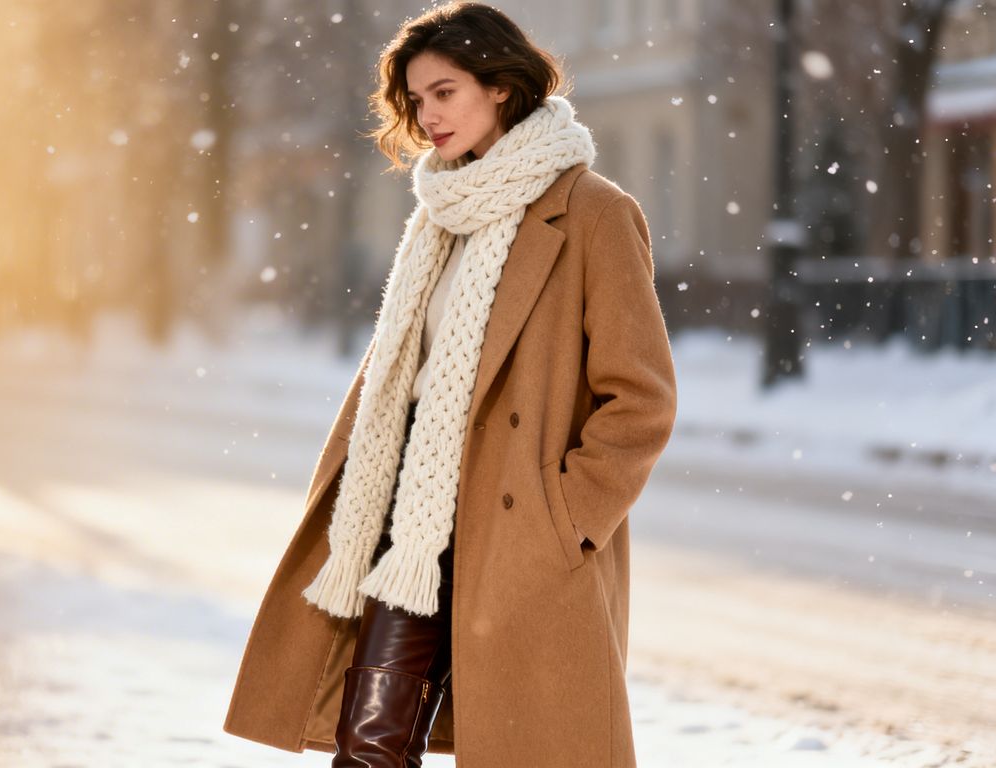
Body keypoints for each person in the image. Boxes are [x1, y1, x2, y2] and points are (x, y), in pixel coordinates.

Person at [224, 3, 677, 766]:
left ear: (500, 86)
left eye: (445, 92)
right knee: (371, 740)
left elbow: (641, 398)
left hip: (516, 529)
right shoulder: (439, 214)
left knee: (522, 744)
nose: (427, 116)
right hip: (410, 521)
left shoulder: (593, 213)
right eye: (416, 100)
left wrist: (562, 519)